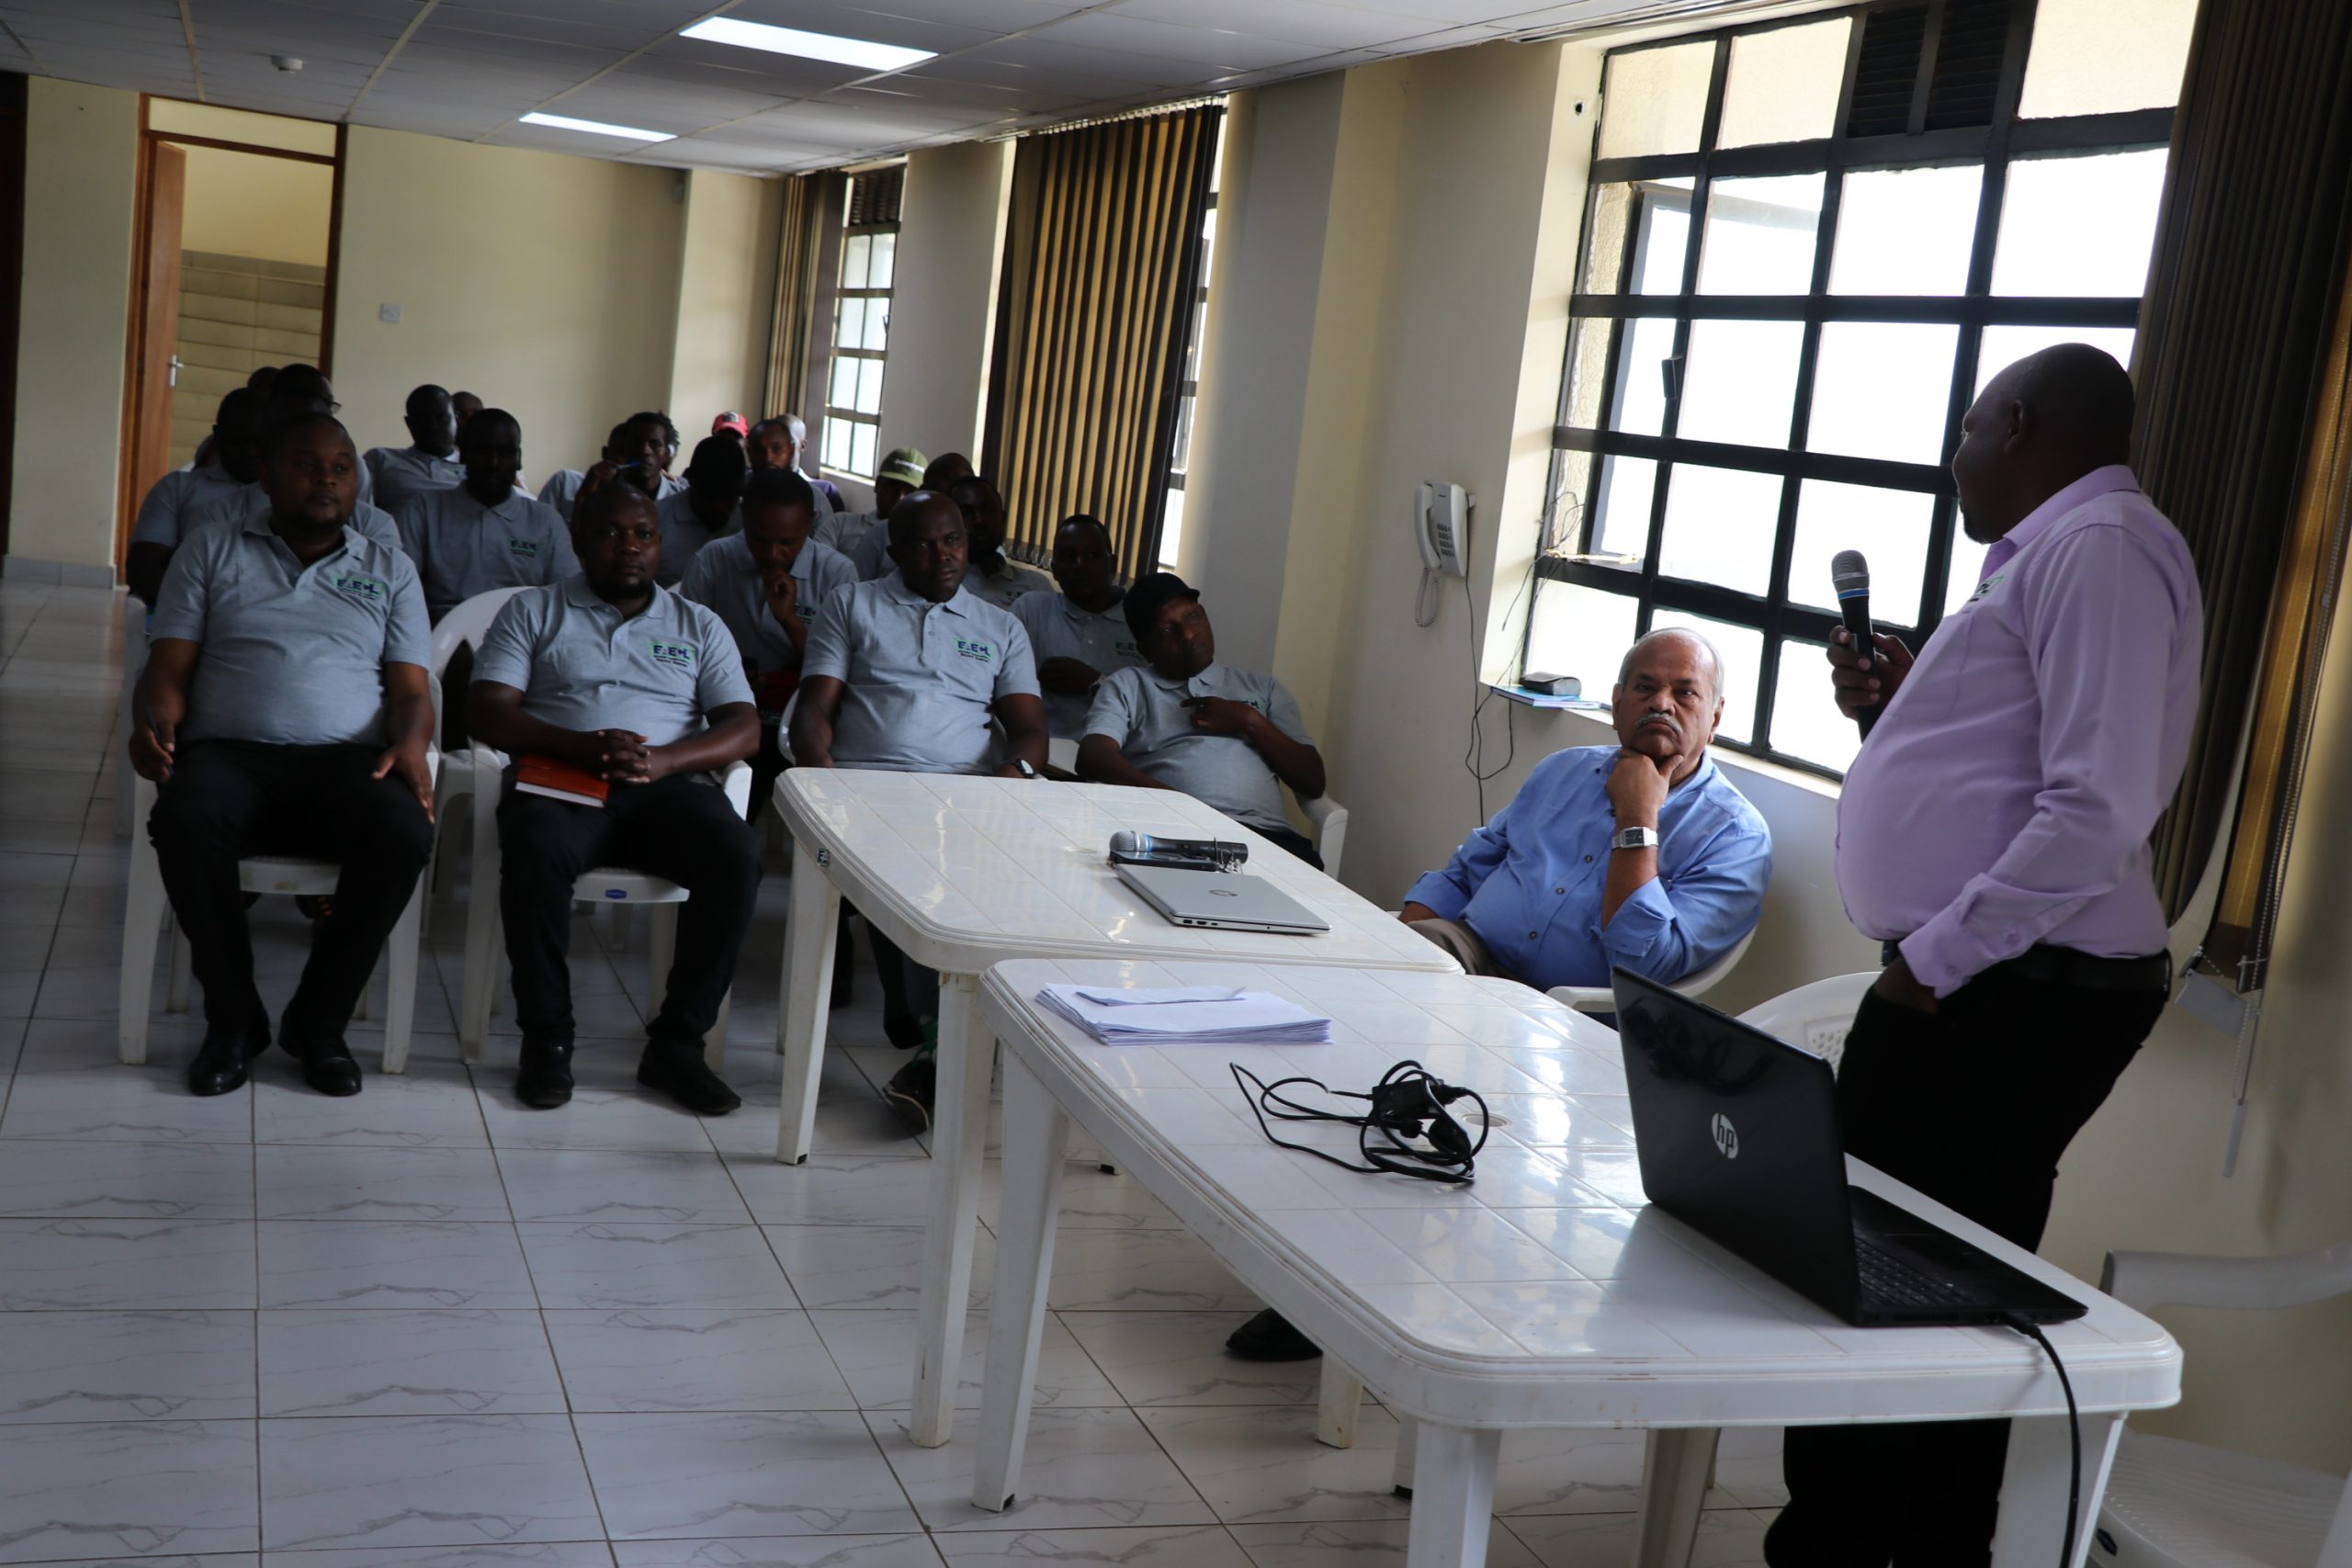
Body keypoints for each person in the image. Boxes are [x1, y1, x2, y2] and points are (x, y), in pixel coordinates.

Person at [1768, 344, 2202, 1568]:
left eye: (1966, 428)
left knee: (1888, 1286)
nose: (1953, 456)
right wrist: (1898, 705)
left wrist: (1933, 963)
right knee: (1930, 1291)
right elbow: (2016, 767)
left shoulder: (2098, 547)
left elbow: (2098, 808)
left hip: (2008, 989)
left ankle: (1846, 1546)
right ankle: (1907, 1541)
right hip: (1997, 981)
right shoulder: (2062, 553)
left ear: (2015, 424)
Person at [130, 412, 436, 1100]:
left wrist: (412, 742)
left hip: (346, 763)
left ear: (356, 483)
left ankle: (318, 1025)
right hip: (230, 758)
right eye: (307, 464)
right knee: (184, 817)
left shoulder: (388, 567)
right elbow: (168, 669)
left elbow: (412, 691)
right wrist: (154, 723)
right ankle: (233, 1022)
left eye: (341, 467)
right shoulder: (211, 549)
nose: (326, 478)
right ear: (266, 476)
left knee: (403, 831)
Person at [466, 482, 763, 1117]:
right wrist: (579, 746)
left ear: (660, 544)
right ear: (578, 541)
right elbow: (486, 709)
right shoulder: (534, 610)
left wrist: (666, 760)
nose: (629, 546)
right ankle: (547, 1039)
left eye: (644, 534)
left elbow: (745, 726)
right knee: (535, 846)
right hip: (563, 779)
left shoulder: (697, 623)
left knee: (736, 854)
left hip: (667, 787)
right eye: (609, 532)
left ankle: (677, 1046)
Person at [792, 490, 1048, 1122]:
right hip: (866, 790)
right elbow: (815, 707)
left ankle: (940, 1041)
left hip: (967, 795)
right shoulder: (852, 604)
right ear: (895, 551)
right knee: (913, 870)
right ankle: (940, 1041)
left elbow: (1029, 730)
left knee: (994, 881)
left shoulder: (1000, 627)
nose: (944, 556)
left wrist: (1013, 774)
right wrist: (822, 777)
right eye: (925, 545)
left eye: (953, 540)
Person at [1400, 627, 1771, 990]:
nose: (1661, 703)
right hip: (1472, 953)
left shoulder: (1736, 837)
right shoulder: (1563, 769)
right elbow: (1463, 875)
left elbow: (1643, 966)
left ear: (1715, 718)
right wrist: (1392, 943)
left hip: (1568, 1007)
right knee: (1401, 960)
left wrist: (1637, 818)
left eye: (1685, 692)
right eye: (1645, 687)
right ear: (1618, 703)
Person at [1077, 572, 1328, 866]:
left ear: (1205, 616)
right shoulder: (1129, 685)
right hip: (1174, 833)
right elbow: (1093, 755)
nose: (1188, 635)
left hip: (1267, 838)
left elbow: (1313, 781)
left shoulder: (1262, 688)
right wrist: (1176, 802)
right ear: (1146, 649)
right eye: (1166, 630)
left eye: (1192, 617)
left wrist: (1248, 720)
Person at [680, 465, 857, 805]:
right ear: (744, 518)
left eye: (787, 543)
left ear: (810, 523)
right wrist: (727, 678)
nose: (773, 554)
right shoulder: (713, 560)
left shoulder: (836, 573)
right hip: (724, 704)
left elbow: (840, 674)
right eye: (759, 540)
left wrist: (789, 620)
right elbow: (684, 648)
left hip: (799, 709)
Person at [391, 408, 576, 622]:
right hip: (442, 634)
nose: (493, 463)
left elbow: (567, 598)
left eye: (505, 453)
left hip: (525, 633)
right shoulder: (424, 510)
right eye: (482, 451)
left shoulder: (545, 520)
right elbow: (400, 591)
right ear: (463, 454)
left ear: (518, 459)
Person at [1011, 514, 1144, 740]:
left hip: (1121, 753)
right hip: (1045, 750)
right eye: (1068, 556)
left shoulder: (1142, 618)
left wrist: (1096, 682)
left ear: (1113, 564)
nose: (1080, 565)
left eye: (1092, 555)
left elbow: (1156, 707)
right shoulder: (1031, 610)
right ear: (1054, 569)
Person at [128, 388, 264, 604]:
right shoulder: (177, 488)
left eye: (259, 442)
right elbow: (144, 575)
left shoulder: (289, 498)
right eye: (238, 442)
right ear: (217, 436)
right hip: (187, 611)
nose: (250, 452)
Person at [852, 453, 974, 579]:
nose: (941, 556)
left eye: (952, 539)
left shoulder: (979, 538)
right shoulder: (884, 531)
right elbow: (857, 579)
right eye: (922, 545)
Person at [539, 416, 679, 523]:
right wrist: (585, 495)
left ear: (666, 455)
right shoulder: (570, 482)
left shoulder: (678, 497)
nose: (644, 451)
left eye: (655, 444)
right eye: (636, 443)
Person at [655, 434, 748, 586]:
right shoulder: (656, 521)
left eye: (728, 498)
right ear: (690, 479)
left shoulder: (752, 524)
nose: (719, 507)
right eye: (710, 497)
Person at [363, 384, 465, 514]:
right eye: (423, 419)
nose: (433, 426)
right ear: (409, 423)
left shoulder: (473, 466)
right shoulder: (380, 459)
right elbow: (360, 513)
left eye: (442, 418)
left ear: (456, 418)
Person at [816, 444, 922, 555]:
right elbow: (816, 561)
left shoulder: (921, 545)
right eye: (892, 487)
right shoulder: (840, 524)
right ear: (878, 484)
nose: (900, 498)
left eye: (910, 492)